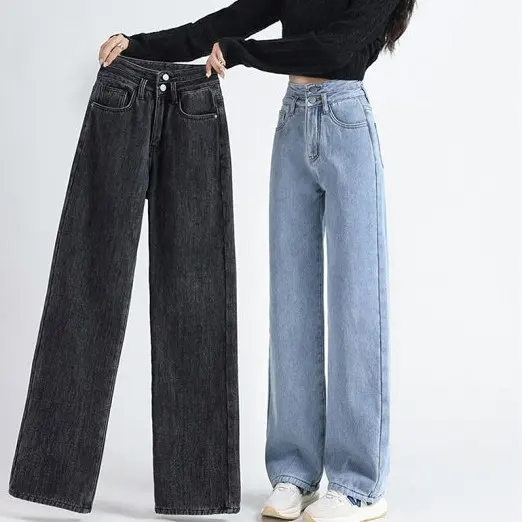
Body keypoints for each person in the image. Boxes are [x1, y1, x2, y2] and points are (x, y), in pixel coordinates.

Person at [100, 1, 416, 521]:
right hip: (292, 121)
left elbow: (333, 49)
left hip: (346, 120)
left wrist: (244, 53)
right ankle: (294, 473)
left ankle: (359, 486)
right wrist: (138, 45)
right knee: (290, 304)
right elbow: (220, 26)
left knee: (357, 304)